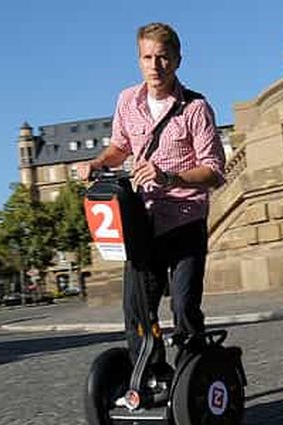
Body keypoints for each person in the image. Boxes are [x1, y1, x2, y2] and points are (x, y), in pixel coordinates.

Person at [79, 23, 225, 377]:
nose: (155, 66)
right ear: (139, 60)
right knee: (137, 309)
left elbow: (215, 171)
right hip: (143, 221)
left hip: (186, 219)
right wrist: (99, 162)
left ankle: (194, 380)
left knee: (185, 306)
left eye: (163, 57)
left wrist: (169, 176)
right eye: (147, 57)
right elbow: (121, 146)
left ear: (177, 60)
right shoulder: (127, 100)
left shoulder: (195, 108)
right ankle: (153, 375)